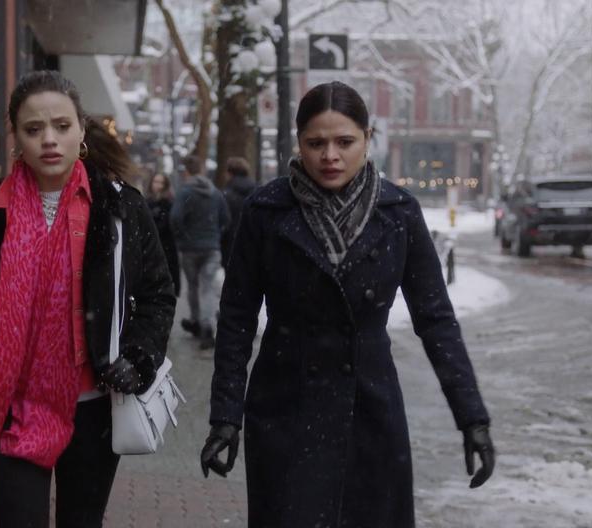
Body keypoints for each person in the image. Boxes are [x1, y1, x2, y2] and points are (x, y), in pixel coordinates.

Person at [200, 81, 495, 527]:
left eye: (344, 142)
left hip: (371, 410)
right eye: (315, 143)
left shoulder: (398, 213)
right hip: (285, 406)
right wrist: (226, 416)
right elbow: (237, 319)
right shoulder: (266, 211)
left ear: (368, 139)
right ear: (298, 143)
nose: (330, 156)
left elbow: (435, 320)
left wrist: (471, 416)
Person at [0, 70, 176, 528]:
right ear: (16, 137)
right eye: (34, 129)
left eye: (61, 126)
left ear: (81, 131)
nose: (49, 140)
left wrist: (139, 355)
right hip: (11, 409)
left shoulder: (119, 208)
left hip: (94, 410)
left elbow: (157, 294)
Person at [170, 155, 230, 350]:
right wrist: (214, 235)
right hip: (212, 248)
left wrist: (183, 236)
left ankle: (197, 321)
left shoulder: (185, 192)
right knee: (207, 288)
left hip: (189, 249)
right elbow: (226, 219)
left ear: (187, 171)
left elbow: (175, 218)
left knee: (193, 287)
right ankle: (207, 326)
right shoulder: (215, 193)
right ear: (202, 171)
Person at [146, 172, 181, 296]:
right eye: (156, 182)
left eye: (161, 182)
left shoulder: (169, 204)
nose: (158, 185)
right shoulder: (146, 202)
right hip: (149, 248)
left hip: (166, 247)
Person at [220, 156, 257, 268]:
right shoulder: (258, 191)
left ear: (230, 173)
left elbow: (223, 220)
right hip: (254, 241)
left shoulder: (225, 194)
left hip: (231, 243)